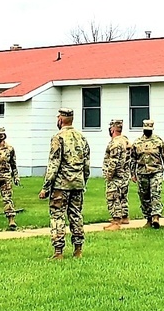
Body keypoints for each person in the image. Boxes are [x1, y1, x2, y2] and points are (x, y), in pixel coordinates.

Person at [39, 108, 91, 260]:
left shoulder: (58, 138)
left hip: (61, 186)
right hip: (77, 184)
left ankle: (58, 251)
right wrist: (83, 181)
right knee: (76, 215)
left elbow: (54, 165)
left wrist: (45, 187)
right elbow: (86, 165)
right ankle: (78, 250)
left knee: (57, 217)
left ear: (61, 119)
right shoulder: (81, 137)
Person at [131, 119, 164, 229]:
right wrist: (132, 173)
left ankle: (155, 217)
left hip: (156, 171)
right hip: (142, 172)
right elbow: (133, 159)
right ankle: (148, 218)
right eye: (146, 130)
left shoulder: (158, 141)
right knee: (144, 196)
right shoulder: (137, 142)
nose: (148, 131)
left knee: (155, 193)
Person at [102, 119, 132, 230]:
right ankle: (124, 216)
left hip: (116, 176)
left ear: (113, 129)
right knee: (123, 196)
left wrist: (108, 175)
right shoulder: (125, 140)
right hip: (124, 174)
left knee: (113, 197)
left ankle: (116, 221)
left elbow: (113, 161)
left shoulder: (115, 143)